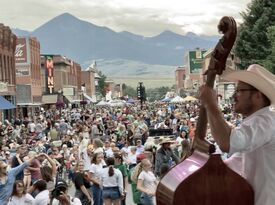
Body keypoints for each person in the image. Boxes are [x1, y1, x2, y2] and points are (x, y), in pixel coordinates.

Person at [199, 64, 275, 205]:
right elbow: (235, 162)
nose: (234, 96)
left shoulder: (265, 121)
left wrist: (211, 103)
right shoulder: (260, 121)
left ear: (257, 95)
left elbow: (228, 143)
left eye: (239, 91)